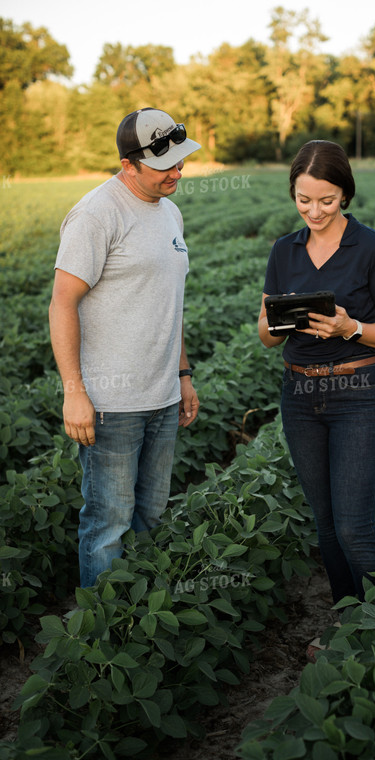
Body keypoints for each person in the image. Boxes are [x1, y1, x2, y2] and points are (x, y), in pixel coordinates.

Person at [258, 140, 375, 661]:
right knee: (325, 527)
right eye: (304, 199)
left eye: (326, 200)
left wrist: (351, 326)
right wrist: (281, 320)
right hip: (300, 394)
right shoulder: (284, 250)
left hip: (359, 393)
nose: (315, 211)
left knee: (353, 526)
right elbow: (264, 333)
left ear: (344, 194)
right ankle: (351, 623)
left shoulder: (372, 248)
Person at [49, 107, 200, 588]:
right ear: (129, 163)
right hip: (111, 404)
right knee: (107, 526)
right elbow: (61, 304)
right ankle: (102, 637)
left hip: (163, 396)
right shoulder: (96, 214)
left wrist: (183, 374)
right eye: (165, 166)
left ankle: (139, 618)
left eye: (181, 162)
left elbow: (168, 304)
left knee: (152, 516)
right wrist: (75, 391)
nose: (177, 173)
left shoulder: (170, 211)